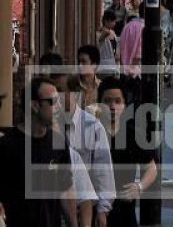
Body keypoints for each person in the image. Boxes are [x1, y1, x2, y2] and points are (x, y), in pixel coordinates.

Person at [0, 77, 77, 227]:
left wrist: (73, 223)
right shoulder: (7, 146)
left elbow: (65, 189)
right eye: (53, 102)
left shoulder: (58, 143)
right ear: (34, 105)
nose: (59, 107)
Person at [53, 72, 115, 227]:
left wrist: (102, 210)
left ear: (75, 94)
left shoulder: (92, 127)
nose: (56, 97)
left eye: (61, 91)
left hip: (86, 208)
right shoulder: (49, 127)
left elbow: (103, 171)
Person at [97, 77, 157, 227]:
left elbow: (151, 167)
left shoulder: (133, 134)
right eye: (107, 101)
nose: (112, 106)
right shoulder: (91, 134)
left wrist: (139, 187)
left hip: (125, 210)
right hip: (96, 210)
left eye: (117, 101)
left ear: (124, 104)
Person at [119, 13, 144, 107]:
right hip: (137, 71)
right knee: (138, 101)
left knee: (128, 100)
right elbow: (139, 53)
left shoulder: (126, 27)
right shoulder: (143, 27)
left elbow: (121, 49)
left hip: (124, 69)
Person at [76, 45, 103, 112]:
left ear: (94, 65)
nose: (79, 65)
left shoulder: (101, 87)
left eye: (83, 62)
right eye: (79, 62)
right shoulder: (72, 85)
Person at [97, 9, 119, 77]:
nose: (114, 23)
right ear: (106, 21)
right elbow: (104, 35)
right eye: (113, 21)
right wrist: (103, 28)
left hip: (113, 64)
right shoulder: (100, 33)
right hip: (103, 65)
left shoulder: (113, 33)